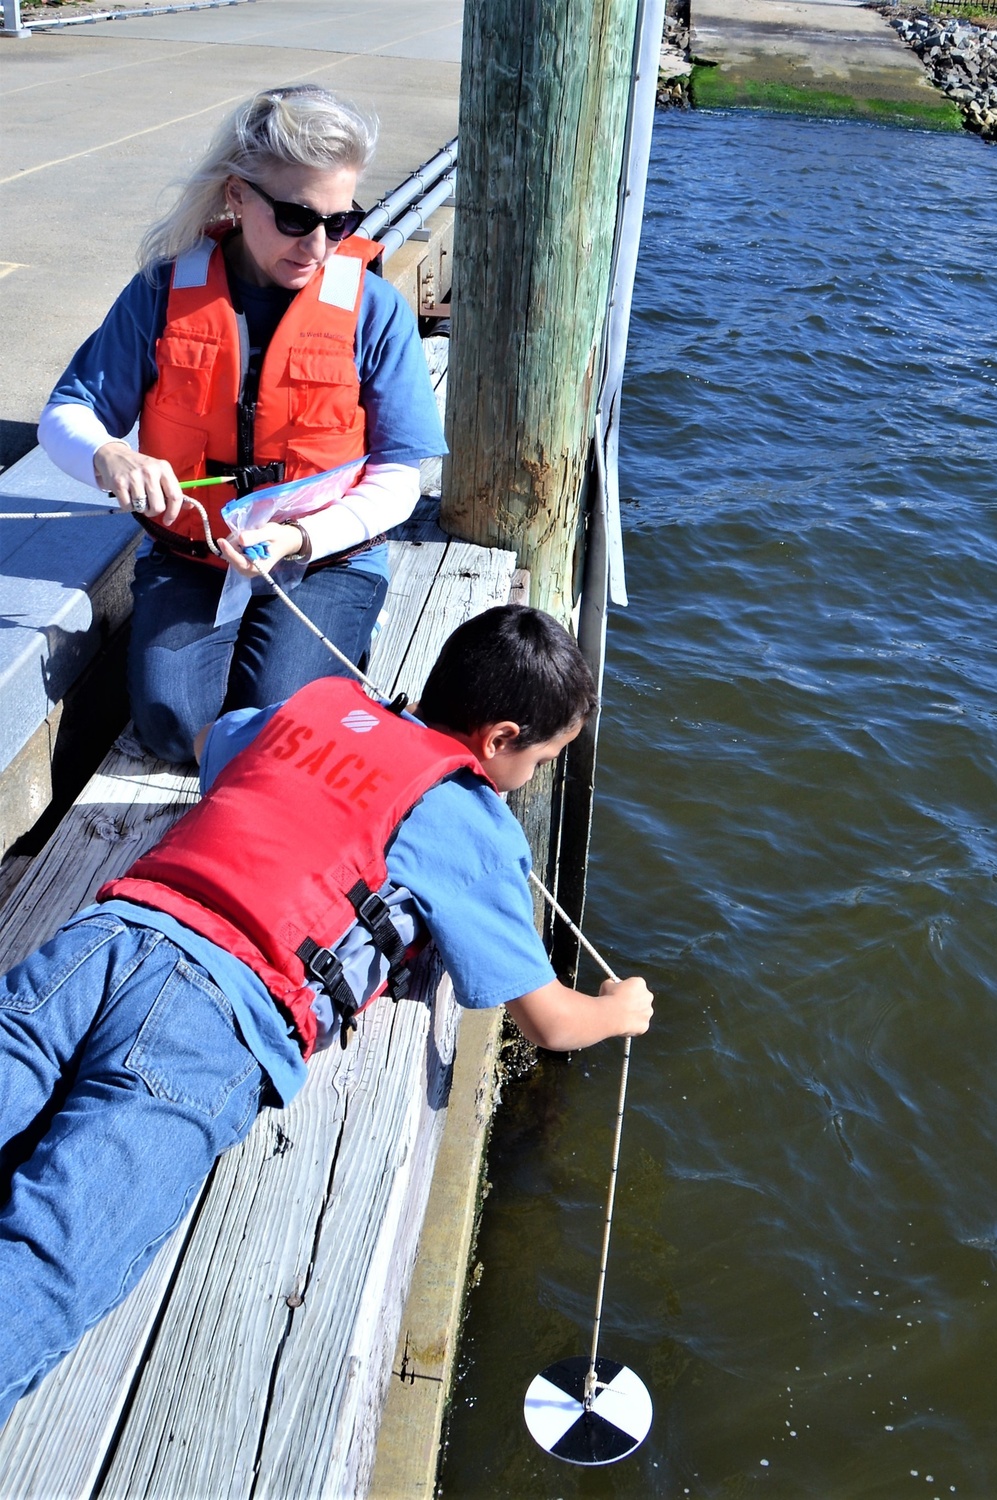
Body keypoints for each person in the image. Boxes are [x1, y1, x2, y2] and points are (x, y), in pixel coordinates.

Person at [0, 604, 654, 1424]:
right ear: (498, 739)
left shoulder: (316, 704)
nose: (537, 776)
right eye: (545, 758)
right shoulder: (472, 821)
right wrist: (619, 1010)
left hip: (104, 941)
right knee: (49, 1260)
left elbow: (215, 746)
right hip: (212, 1021)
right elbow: (548, 1022)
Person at [38, 84, 446, 764]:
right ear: (237, 196)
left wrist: (300, 536)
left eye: (340, 221)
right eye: (295, 216)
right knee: (172, 727)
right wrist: (108, 457)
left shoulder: (373, 310)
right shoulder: (161, 293)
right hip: (193, 556)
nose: (318, 244)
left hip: (326, 557)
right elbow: (67, 414)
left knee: (281, 726)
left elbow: (402, 475)